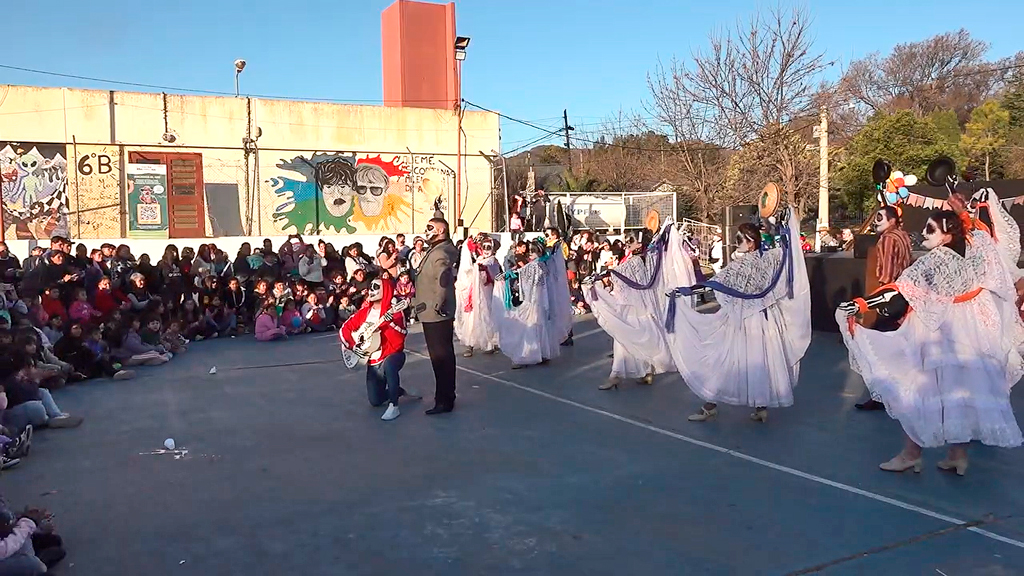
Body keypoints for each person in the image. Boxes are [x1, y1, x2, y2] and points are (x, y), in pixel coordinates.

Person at [837, 210, 1024, 475]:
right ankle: (957, 456)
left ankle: (911, 454)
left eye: (931, 229)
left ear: (947, 233)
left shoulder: (934, 261)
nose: (924, 233)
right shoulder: (977, 247)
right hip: (975, 331)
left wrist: (864, 303)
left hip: (940, 329)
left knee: (921, 389)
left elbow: (900, 291)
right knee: (962, 391)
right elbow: (987, 235)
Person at [664, 212, 811, 423]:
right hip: (766, 320)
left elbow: (714, 284)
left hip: (744, 320)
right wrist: (783, 225)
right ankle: (760, 408)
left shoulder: (741, 265)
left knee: (727, 361)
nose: (736, 243)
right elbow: (791, 252)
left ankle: (710, 406)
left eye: (739, 239)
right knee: (762, 361)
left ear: (750, 243)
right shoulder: (771, 258)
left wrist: (683, 291)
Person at [856, 205, 913, 411]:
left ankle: (882, 396)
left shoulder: (888, 239)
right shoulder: (903, 236)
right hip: (903, 294)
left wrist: (880, 298)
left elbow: (887, 274)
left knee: (880, 348)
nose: (875, 221)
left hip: (891, 296)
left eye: (880, 217)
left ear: (890, 220)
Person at [340, 275, 418, 421]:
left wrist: (391, 324)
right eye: (370, 287)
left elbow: (402, 334)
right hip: (373, 360)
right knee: (375, 401)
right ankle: (397, 391)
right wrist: (352, 345)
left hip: (392, 354)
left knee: (389, 366)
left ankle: (394, 406)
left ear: (385, 290)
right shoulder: (364, 312)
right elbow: (345, 328)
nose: (371, 290)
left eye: (376, 287)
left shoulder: (395, 311)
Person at [411, 218, 459, 415]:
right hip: (433, 310)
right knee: (444, 356)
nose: (426, 230)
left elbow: (443, 279)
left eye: (430, 227)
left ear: (441, 230)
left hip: (435, 312)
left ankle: (444, 400)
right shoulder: (441, 249)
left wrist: (437, 304)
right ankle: (447, 395)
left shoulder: (439, 252)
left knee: (440, 358)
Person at [455, 234, 502, 358]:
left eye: (489, 247)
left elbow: (492, 275)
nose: (486, 249)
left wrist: (482, 269)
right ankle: (470, 344)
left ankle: (490, 343)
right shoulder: (479, 260)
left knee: (487, 315)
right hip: (475, 293)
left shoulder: (493, 261)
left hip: (488, 294)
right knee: (472, 317)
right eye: (484, 246)